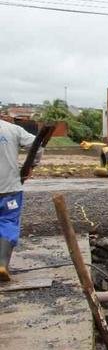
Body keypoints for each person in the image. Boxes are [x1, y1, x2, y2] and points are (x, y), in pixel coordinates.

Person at [0, 119, 39, 281]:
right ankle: (2, 264)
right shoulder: (12, 129)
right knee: (8, 221)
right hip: (10, 188)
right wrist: (32, 165)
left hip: (11, 187)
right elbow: (37, 145)